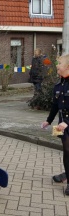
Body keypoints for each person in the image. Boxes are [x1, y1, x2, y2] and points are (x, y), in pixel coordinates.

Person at [41, 54, 69, 196]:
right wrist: (49, 120)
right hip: (63, 126)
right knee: (67, 152)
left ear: (68, 67)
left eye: (59, 63)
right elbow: (55, 105)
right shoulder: (59, 85)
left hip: (67, 123)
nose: (57, 66)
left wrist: (67, 122)